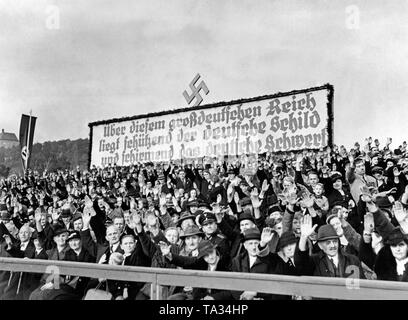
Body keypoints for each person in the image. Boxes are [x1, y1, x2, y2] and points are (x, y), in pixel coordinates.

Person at [295, 215, 365, 279]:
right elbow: (301, 265)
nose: (332, 245)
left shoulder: (352, 260)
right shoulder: (314, 261)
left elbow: (361, 286)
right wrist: (303, 237)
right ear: (320, 245)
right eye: (328, 243)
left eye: (335, 241)